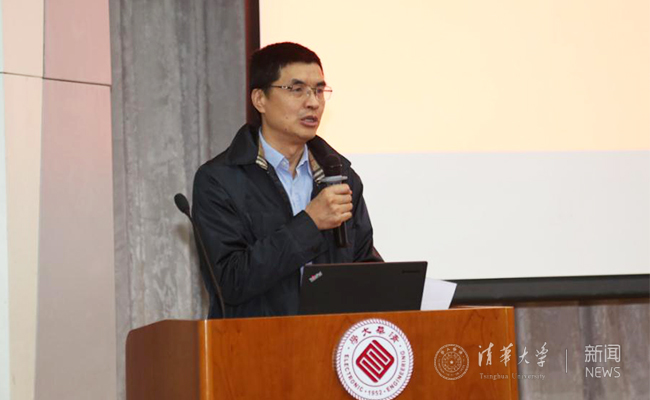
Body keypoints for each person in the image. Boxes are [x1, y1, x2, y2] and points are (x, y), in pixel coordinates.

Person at [192, 42, 381, 318]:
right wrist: (310, 223)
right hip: (255, 340)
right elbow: (229, 282)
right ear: (260, 99)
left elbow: (363, 265)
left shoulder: (340, 176)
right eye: (296, 89)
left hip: (329, 339)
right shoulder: (220, 180)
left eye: (319, 90)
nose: (313, 102)